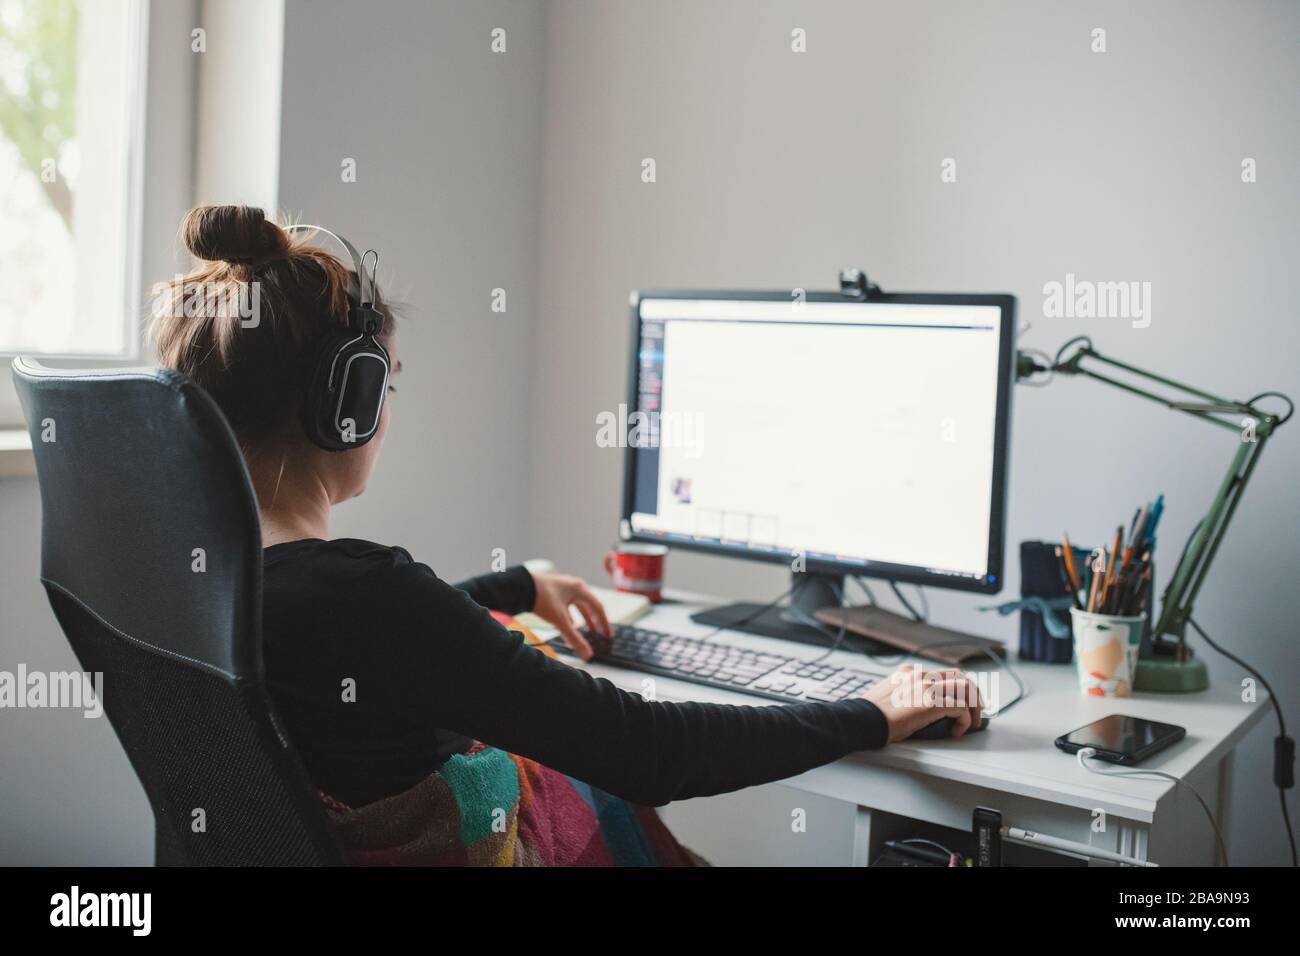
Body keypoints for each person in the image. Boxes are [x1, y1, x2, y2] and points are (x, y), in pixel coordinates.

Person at [152, 204, 983, 815]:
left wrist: (514, 586)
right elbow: (648, 752)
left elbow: (381, 649)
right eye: (389, 384)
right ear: (350, 400)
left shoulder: (196, 570)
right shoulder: (366, 595)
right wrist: (871, 712)